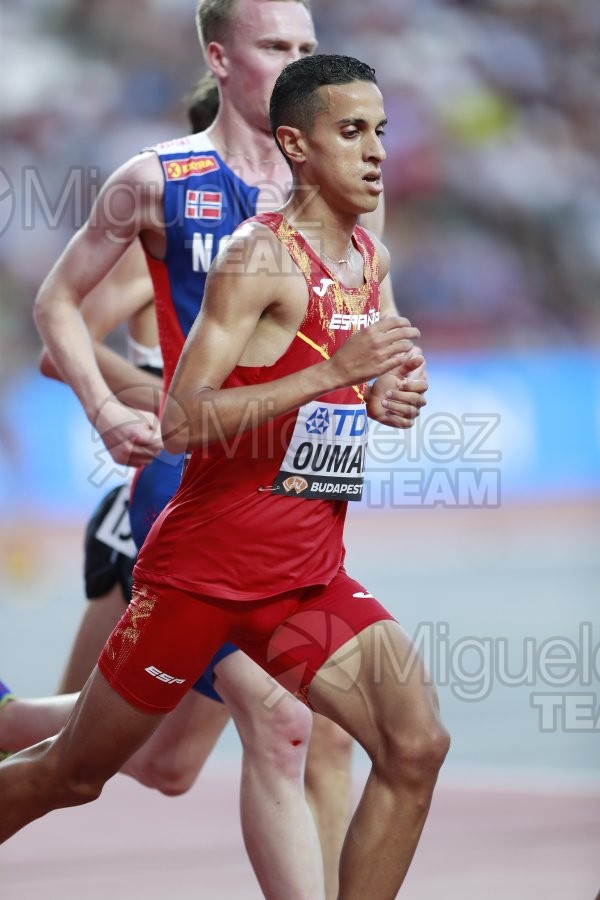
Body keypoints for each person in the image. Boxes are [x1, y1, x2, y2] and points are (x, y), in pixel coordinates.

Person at [0, 54, 449, 898]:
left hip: (303, 580)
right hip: (201, 577)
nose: (376, 151)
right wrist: (330, 374)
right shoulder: (257, 257)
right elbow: (181, 417)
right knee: (74, 773)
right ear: (297, 145)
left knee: (414, 745)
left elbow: (378, 369)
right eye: (351, 132)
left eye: (381, 131)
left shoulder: (370, 259)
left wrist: (391, 390)